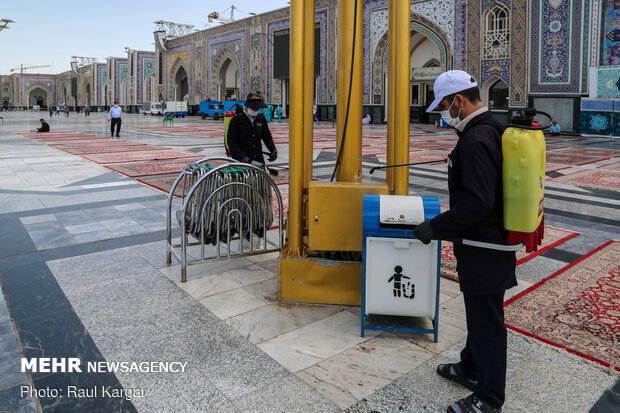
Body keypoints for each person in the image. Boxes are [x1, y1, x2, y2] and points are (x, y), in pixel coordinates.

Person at [413, 70, 516, 413]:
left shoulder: (474, 140)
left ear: (457, 100)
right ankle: (470, 368)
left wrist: (434, 227)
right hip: (487, 244)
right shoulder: (492, 128)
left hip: (485, 247)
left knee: (487, 323)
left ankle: (489, 398)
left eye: (444, 105)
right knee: (479, 313)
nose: (444, 113)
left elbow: (478, 202)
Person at [226, 93, 277, 166]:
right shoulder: (237, 119)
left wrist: (273, 150)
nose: (256, 109)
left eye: (258, 108)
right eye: (254, 107)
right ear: (247, 106)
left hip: (258, 160)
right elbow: (231, 141)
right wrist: (242, 157)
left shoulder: (261, 118)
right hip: (241, 161)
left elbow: (267, 137)